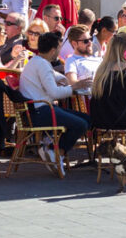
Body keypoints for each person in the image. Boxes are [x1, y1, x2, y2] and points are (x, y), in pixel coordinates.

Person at [19, 31, 92, 165]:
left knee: (86, 120)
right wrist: (75, 87)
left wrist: (67, 81)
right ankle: (55, 151)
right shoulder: (42, 64)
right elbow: (55, 93)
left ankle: (53, 149)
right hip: (41, 112)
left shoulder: (37, 61)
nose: (59, 51)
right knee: (82, 124)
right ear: (53, 50)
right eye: (58, 48)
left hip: (36, 110)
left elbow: (58, 77)